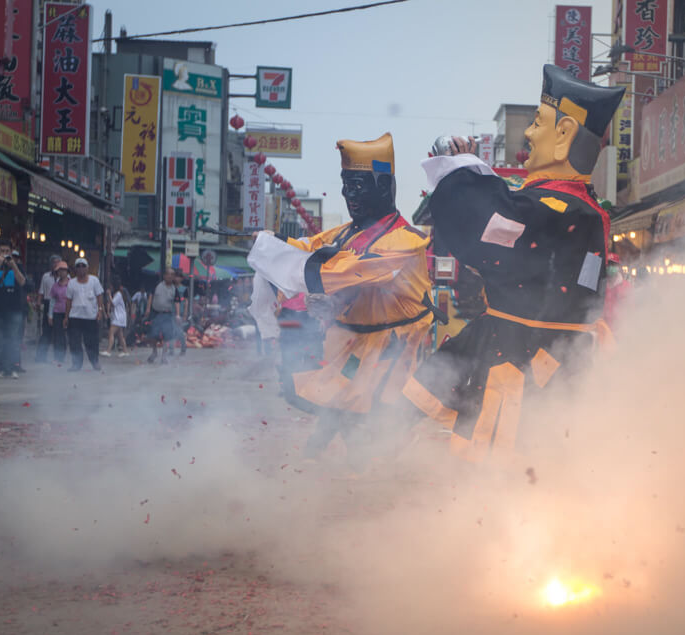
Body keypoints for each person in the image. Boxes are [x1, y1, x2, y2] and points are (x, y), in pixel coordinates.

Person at [404, 65, 625, 457]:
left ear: (563, 136)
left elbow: (494, 226)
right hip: (536, 353)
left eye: (539, 123)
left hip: (530, 362)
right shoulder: (574, 206)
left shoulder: (565, 207)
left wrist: (460, 168)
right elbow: (510, 221)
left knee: (508, 462)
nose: (528, 134)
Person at [248, 132, 437, 452]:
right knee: (335, 399)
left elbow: (349, 268)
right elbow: (309, 246)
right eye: (346, 184)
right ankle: (341, 453)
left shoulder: (405, 240)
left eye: (358, 186)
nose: (348, 194)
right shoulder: (348, 233)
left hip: (392, 350)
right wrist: (274, 241)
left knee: (369, 413)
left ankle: (365, 462)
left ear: (383, 187)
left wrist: (280, 254)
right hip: (353, 346)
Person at [0, 242, 27, 378]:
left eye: (7, 251)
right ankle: (1, 368)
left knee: (13, 339)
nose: (4, 253)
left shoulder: (18, 266)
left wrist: (13, 265)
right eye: (2, 250)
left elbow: (22, 281)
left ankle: (12, 367)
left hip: (14, 309)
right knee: (1, 340)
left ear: (11, 251)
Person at [64, 257, 104, 372]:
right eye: (78, 266)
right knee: (74, 342)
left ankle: (94, 361)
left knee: (92, 341)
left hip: (90, 317)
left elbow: (99, 296)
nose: (81, 268)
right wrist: (66, 317)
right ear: (75, 269)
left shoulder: (94, 280)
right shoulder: (71, 283)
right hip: (75, 317)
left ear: (87, 268)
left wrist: (100, 310)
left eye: (83, 266)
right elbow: (68, 300)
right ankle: (76, 364)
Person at [145, 268, 179, 364]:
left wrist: (178, 315)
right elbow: (151, 296)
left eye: (172, 274)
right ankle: (154, 352)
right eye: (168, 274)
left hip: (167, 314)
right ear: (164, 276)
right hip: (155, 313)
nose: (170, 276)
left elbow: (177, 302)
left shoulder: (174, 289)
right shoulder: (157, 285)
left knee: (166, 336)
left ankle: (164, 356)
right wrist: (148, 309)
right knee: (153, 334)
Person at [35, 254, 61, 363]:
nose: (56, 264)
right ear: (51, 264)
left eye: (58, 262)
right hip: (47, 302)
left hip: (60, 304)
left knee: (59, 332)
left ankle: (59, 357)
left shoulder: (65, 277)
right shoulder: (46, 276)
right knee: (46, 331)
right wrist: (38, 302)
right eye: (54, 262)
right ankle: (41, 356)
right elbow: (41, 291)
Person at [49, 260, 70, 363]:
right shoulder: (55, 286)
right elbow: (52, 301)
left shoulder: (71, 284)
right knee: (57, 335)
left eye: (63, 271)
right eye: (59, 271)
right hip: (57, 312)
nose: (61, 273)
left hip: (69, 313)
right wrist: (50, 315)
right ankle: (57, 357)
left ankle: (64, 355)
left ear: (66, 271)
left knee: (66, 335)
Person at [103, 279, 130, 357]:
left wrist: (109, 295)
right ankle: (125, 351)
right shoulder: (118, 294)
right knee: (120, 335)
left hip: (118, 317)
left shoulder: (118, 294)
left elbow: (113, 303)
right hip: (119, 316)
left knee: (111, 333)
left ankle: (108, 350)